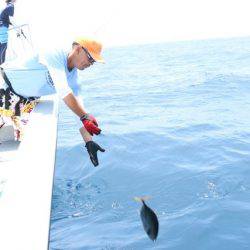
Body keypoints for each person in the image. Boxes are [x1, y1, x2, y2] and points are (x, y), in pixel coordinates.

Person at [0, 37, 106, 166]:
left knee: (21, 144)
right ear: (78, 49)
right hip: (4, 86)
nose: (91, 63)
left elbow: (78, 111)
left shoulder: (74, 80)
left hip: (24, 102)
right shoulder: (54, 54)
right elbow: (64, 91)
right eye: (90, 58)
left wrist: (88, 142)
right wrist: (84, 117)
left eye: (94, 61)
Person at [0, 0, 16, 64]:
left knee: (1, 46)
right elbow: (13, 19)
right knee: (3, 46)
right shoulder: (10, 6)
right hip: (2, 28)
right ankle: (1, 66)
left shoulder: (5, 7)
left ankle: (1, 65)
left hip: (1, 27)